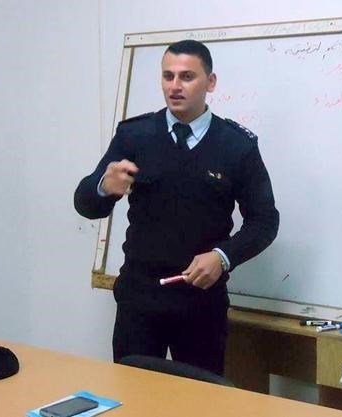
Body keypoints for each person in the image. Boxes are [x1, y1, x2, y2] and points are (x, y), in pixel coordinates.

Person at [74, 40, 279, 375]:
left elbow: (265, 221)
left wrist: (222, 257)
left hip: (201, 303)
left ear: (210, 82)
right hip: (140, 300)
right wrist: (102, 188)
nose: (175, 86)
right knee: (133, 395)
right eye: (168, 76)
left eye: (186, 76)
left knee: (199, 399)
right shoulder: (135, 135)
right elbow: (85, 205)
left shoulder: (236, 145)